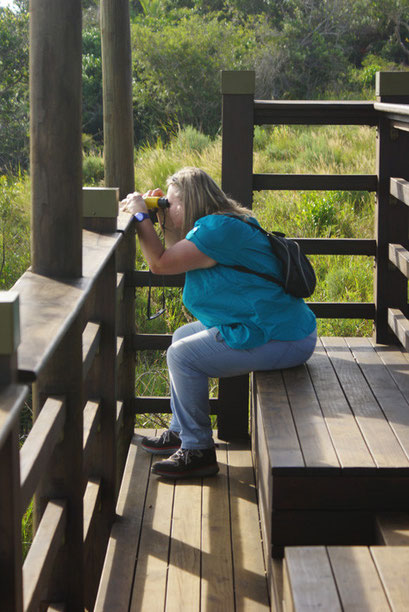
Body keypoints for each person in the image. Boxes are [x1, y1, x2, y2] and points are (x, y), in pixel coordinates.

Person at [120, 167, 316, 479]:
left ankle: (198, 450)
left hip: (283, 336)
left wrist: (142, 217)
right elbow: (175, 252)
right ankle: (182, 429)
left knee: (182, 356)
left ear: (190, 202)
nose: (167, 209)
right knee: (182, 336)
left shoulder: (217, 231)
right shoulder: (222, 222)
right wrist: (161, 219)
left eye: (171, 204)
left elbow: (160, 263)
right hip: (277, 327)